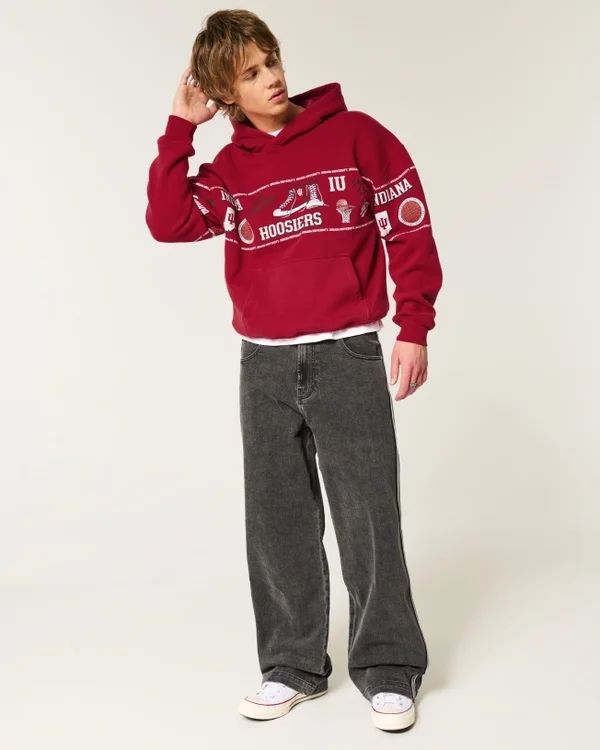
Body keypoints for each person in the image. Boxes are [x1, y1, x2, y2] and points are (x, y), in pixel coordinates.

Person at [145, 8, 443, 733]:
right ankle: (292, 665)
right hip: (265, 364)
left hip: (348, 351)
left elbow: (409, 229)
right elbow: (167, 221)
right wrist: (180, 128)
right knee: (278, 519)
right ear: (226, 93)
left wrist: (414, 326)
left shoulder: (358, 136)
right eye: (250, 73)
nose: (272, 78)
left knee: (368, 514)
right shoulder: (229, 172)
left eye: (271, 60)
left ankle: (389, 665)